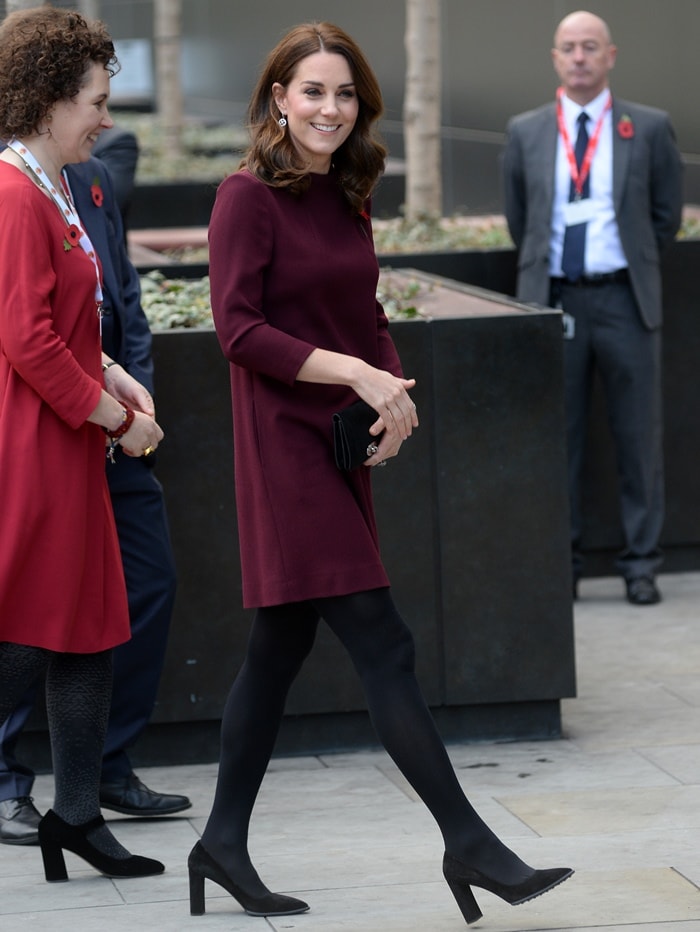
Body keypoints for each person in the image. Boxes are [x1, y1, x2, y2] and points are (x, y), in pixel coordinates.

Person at [188, 21, 573, 925]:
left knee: (277, 651)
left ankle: (222, 843)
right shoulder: (245, 197)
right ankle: (469, 843)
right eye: (312, 90)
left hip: (339, 444)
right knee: (385, 643)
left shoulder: (347, 193)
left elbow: (363, 309)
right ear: (277, 97)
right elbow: (238, 331)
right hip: (283, 453)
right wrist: (356, 373)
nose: (329, 108)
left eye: (345, 93)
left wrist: (390, 394)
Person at [0, 7, 165, 880]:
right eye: (96, 101)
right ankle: (70, 816)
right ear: (49, 100)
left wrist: (110, 370)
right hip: (38, 445)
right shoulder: (12, 193)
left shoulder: (51, 184)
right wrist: (120, 420)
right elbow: (23, 341)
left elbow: (58, 325)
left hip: (64, 438)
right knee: (33, 635)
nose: (105, 118)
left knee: (84, 635)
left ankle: (74, 818)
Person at [502, 10, 683, 605]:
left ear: (611, 55)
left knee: (638, 439)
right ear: (554, 57)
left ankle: (640, 565)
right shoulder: (525, 130)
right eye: (568, 48)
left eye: (590, 47)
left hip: (625, 299)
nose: (579, 57)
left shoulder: (649, 127)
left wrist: (620, 267)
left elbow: (665, 219)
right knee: (560, 438)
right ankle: (566, 564)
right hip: (554, 302)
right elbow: (519, 221)